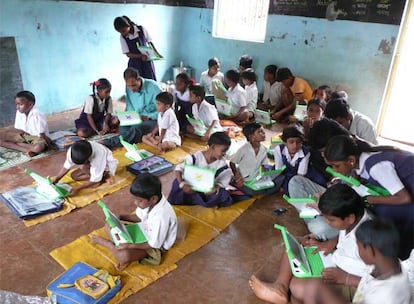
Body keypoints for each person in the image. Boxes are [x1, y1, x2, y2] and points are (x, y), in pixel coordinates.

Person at [249, 184, 372, 304]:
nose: (327, 223)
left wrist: (346, 278)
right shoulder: (353, 219)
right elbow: (345, 233)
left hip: (351, 280)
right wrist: (330, 243)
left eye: (331, 220)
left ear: (350, 218)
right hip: (338, 261)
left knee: (298, 287)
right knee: (297, 247)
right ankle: (280, 286)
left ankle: (284, 288)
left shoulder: (369, 241)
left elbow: (381, 281)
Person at [324, 135, 414, 259]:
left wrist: (371, 199)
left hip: (408, 197)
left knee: (383, 213)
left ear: (351, 160)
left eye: (337, 166)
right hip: (407, 191)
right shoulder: (361, 159)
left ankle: (398, 258)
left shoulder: (376, 167)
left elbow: (405, 198)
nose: (335, 170)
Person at [305, 218, 412, 304]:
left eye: (358, 247)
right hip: (360, 297)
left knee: (313, 289)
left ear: (370, 250)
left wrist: (332, 298)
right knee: (313, 289)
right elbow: (367, 284)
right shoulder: (386, 266)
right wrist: (346, 279)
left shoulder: (384, 295)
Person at [91, 173, 177, 270]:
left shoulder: (161, 217)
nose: (135, 203)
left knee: (123, 256)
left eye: (139, 201)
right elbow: (139, 217)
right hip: (142, 230)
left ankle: (110, 245)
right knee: (109, 225)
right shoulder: (149, 202)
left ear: (153, 199)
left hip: (152, 246)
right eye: (134, 199)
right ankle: (120, 247)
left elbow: (154, 244)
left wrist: (130, 246)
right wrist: (120, 217)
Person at [287, 118, 352, 241]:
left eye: (323, 151)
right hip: (337, 200)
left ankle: (321, 226)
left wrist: (326, 207)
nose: (323, 156)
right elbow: (338, 184)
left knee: (319, 228)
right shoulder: (340, 155)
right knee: (295, 182)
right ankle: (318, 220)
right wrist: (327, 194)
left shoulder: (354, 160)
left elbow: (352, 205)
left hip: (345, 211)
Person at [168, 132, 234, 208]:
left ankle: (201, 200)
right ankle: (197, 200)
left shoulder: (222, 165)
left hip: (206, 191)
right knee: (177, 184)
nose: (224, 154)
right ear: (213, 147)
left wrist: (215, 188)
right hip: (189, 186)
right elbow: (178, 169)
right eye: (223, 151)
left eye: (226, 151)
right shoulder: (195, 158)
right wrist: (182, 184)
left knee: (222, 194)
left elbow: (223, 180)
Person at [102, 68, 161, 148]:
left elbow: (164, 111)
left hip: (153, 120)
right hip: (136, 117)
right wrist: (123, 117)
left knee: (136, 129)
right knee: (123, 127)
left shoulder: (154, 87)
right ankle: (133, 137)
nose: (132, 89)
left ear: (139, 79)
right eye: (129, 86)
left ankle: (109, 142)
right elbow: (129, 107)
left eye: (134, 85)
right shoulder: (128, 88)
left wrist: (149, 117)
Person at [53, 140, 118, 196]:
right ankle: (98, 177)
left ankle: (104, 176)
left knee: (94, 184)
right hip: (90, 162)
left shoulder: (98, 157)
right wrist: (56, 179)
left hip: (106, 164)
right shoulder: (72, 150)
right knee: (74, 176)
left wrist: (78, 188)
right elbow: (67, 165)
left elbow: (94, 178)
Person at [230, 122, 279, 196]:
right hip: (246, 178)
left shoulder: (263, 149)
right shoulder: (244, 150)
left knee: (279, 176)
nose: (263, 133)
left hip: (257, 177)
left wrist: (264, 173)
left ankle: (264, 188)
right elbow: (232, 163)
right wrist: (237, 176)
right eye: (259, 132)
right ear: (251, 137)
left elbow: (263, 164)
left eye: (263, 131)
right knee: (252, 190)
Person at [0, 90, 50, 157]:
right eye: (17, 104)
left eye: (20, 104)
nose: (17, 107)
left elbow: (42, 135)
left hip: (37, 138)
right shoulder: (19, 112)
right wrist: (10, 134)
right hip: (24, 135)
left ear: (30, 105)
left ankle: (22, 147)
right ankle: (27, 150)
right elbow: (19, 129)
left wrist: (49, 144)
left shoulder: (38, 114)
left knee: (38, 148)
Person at [113, 16, 162, 80]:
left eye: (123, 31)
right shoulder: (123, 37)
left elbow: (150, 42)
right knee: (136, 81)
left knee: (150, 79)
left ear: (128, 25)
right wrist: (141, 56)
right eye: (120, 32)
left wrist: (156, 53)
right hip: (134, 63)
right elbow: (128, 54)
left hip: (147, 60)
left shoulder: (141, 29)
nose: (123, 33)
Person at [273, 124, 312, 195]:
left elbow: (301, 174)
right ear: (284, 142)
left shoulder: (305, 153)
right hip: (284, 173)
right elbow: (278, 169)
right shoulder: (279, 150)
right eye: (291, 142)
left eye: (298, 142)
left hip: (299, 175)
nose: (295, 145)